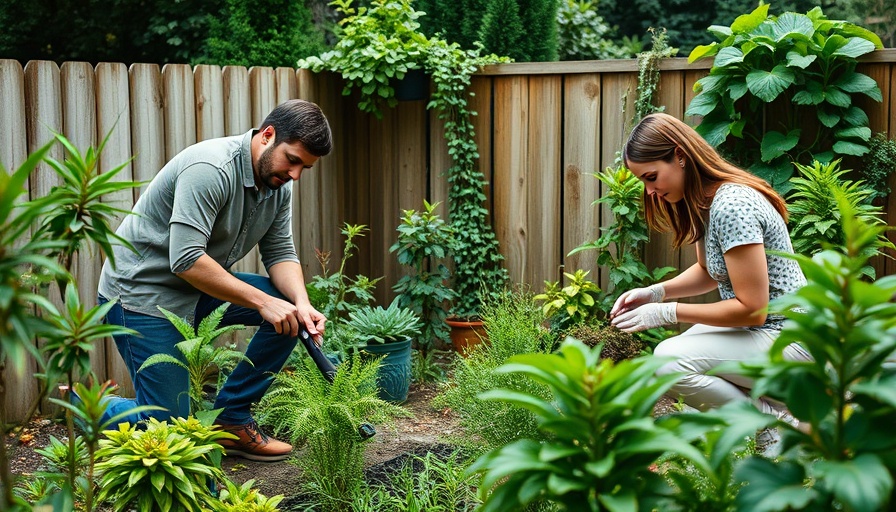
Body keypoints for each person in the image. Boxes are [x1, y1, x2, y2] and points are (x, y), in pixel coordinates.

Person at [95, 99, 331, 462]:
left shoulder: (278, 183)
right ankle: (90, 406)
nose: (296, 174)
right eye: (293, 160)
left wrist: (301, 304)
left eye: (306, 168)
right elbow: (187, 259)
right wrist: (264, 302)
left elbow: (281, 252)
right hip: (141, 294)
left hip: (198, 289)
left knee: (291, 316)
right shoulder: (211, 168)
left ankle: (231, 420)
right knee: (172, 433)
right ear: (268, 135)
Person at [609, 112, 811, 425]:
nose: (649, 191)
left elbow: (752, 309)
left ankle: (773, 425)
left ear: (679, 156)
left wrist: (667, 312)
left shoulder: (732, 205)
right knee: (685, 348)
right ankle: (771, 423)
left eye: (651, 177)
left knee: (668, 360)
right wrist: (654, 293)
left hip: (793, 336)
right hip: (762, 330)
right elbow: (708, 272)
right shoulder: (705, 202)